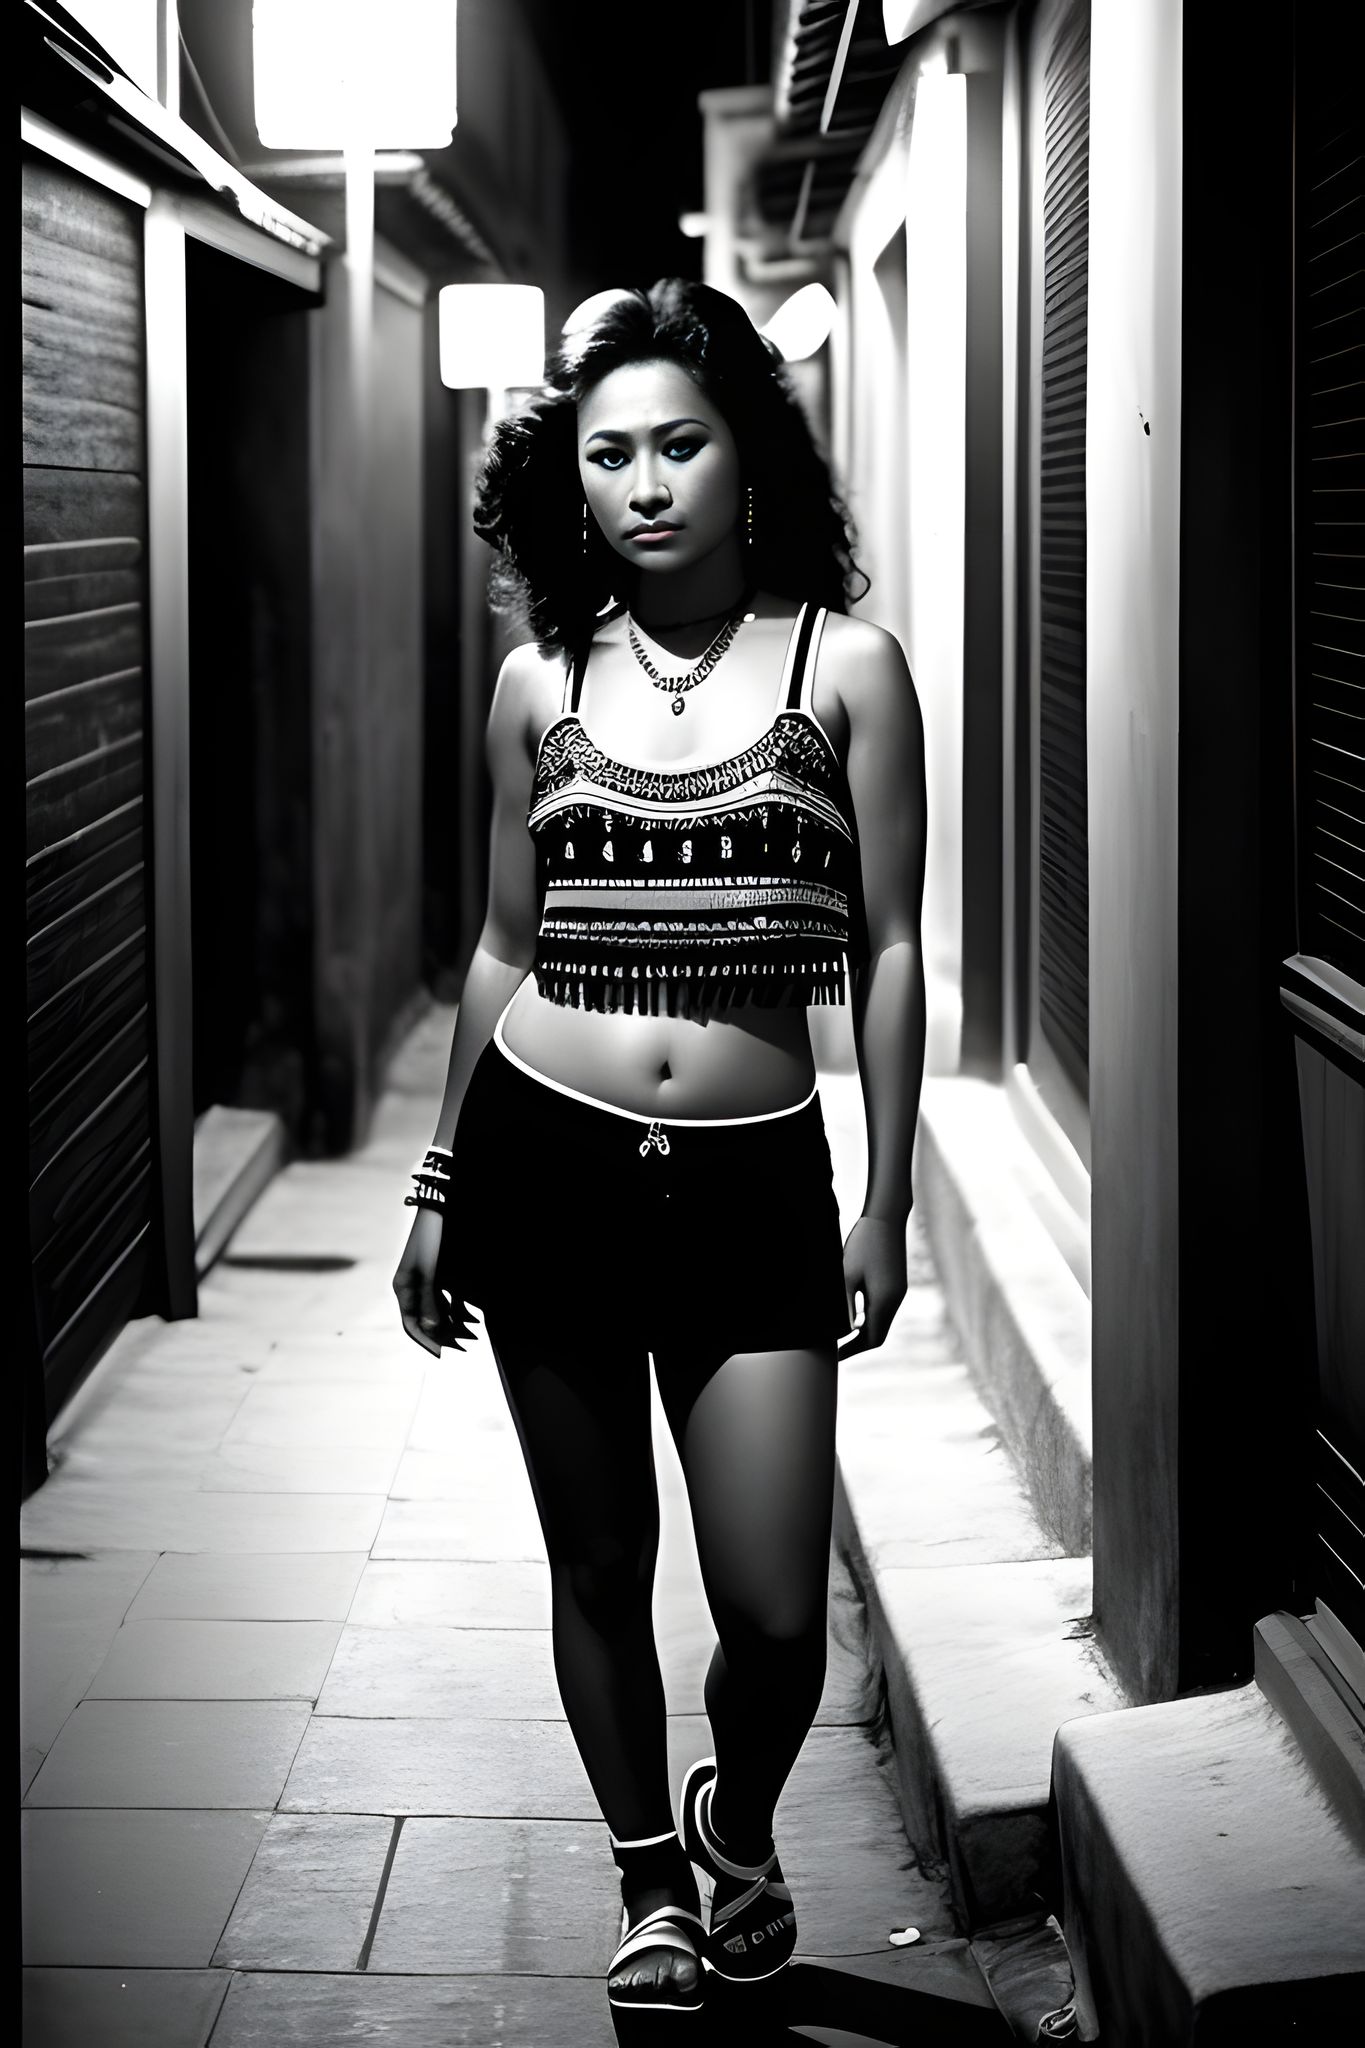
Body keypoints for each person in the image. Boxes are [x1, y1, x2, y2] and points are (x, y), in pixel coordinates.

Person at [392, 279, 926, 2036]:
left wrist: (885, 1197)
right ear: (572, 483)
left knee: (774, 1615)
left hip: (754, 1178)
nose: (641, 483)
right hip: (543, 1162)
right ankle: (649, 1884)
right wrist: (440, 1184)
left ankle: (735, 1822)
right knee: (598, 1563)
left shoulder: (844, 667)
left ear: (745, 457)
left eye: (677, 445)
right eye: (606, 453)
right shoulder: (535, 681)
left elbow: (891, 950)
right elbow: (500, 943)